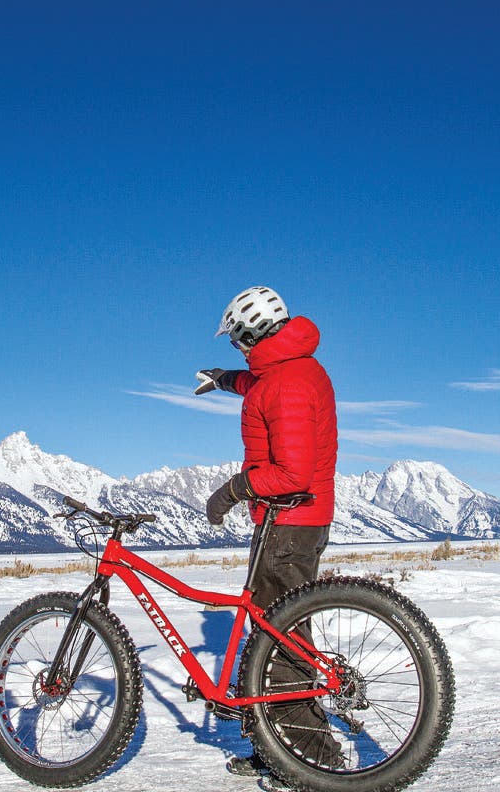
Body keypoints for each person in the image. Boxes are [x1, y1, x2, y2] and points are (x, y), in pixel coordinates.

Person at [198, 286, 342, 785]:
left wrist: (234, 489)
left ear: (248, 334)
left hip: (292, 523)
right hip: (286, 523)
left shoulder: (288, 383)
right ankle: (283, 748)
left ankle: (310, 759)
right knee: (274, 636)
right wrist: (225, 381)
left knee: (281, 647)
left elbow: (295, 472)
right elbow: (260, 383)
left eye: (235, 341)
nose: (235, 349)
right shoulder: (284, 369)